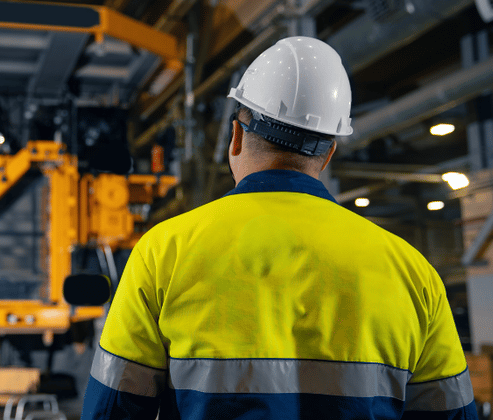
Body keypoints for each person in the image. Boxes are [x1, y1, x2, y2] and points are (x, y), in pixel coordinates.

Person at [81, 36, 476, 419]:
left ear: (236, 137)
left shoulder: (162, 253)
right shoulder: (413, 273)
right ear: (329, 153)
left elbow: (110, 410)